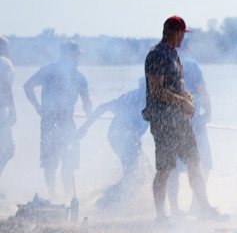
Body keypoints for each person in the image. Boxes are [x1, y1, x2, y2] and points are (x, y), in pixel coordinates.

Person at [143, 16, 222, 222]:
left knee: (194, 163)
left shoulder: (174, 55)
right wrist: (182, 102)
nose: (183, 39)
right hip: (162, 120)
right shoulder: (157, 55)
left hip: (180, 120)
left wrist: (188, 96)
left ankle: (205, 208)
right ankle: (161, 216)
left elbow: (178, 84)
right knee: (165, 169)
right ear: (175, 33)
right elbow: (157, 90)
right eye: (182, 34)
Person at [23, 40, 92, 200]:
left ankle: (61, 196)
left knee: (58, 163)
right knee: (54, 162)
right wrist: (37, 107)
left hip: (59, 121)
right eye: (77, 55)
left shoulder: (74, 75)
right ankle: (58, 196)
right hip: (56, 122)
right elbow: (27, 86)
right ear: (70, 54)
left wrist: (38, 107)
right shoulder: (66, 73)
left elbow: (86, 101)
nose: (78, 58)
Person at [78, 79, 150, 207]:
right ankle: (107, 201)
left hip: (117, 136)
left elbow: (103, 108)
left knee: (138, 172)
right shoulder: (148, 99)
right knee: (135, 174)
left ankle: (111, 199)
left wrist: (86, 126)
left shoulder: (129, 96)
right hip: (126, 138)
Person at [167, 38, 212, 215]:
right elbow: (202, 91)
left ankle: (175, 210)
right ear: (184, 48)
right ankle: (197, 207)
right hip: (193, 123)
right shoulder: (192, 65)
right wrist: (208, 114)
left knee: (172, 170)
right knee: (204, 165)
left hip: (169, 124)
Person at [0, 37, 15, 182]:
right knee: (8, 150)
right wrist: (13, 110)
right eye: (8, 47)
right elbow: (5, 86)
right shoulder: (4, 62)